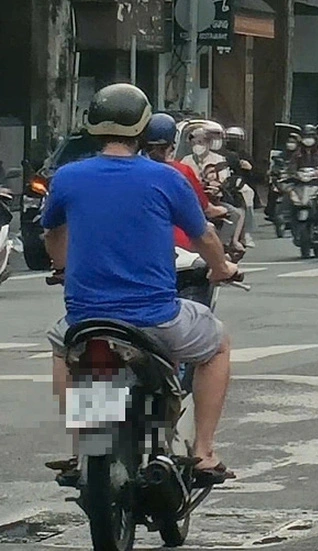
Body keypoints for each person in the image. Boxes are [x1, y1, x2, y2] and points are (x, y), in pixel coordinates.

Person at [42, 85, 239, 483]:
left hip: (87, 320)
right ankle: (203, 452)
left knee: (63, 349)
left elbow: (52, 235)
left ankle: (82, 448)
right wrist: (222, 268)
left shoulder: (67, 177)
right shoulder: (164, 178)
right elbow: (205, 237)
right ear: (144, 129)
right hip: (157, 319)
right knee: (217, 346)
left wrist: (63, 267)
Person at [143, 113, 227, 252]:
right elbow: (203, 220)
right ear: (172, 145)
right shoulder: (179, 171)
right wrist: (221, 266)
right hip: (179, 246)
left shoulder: (123, 174)